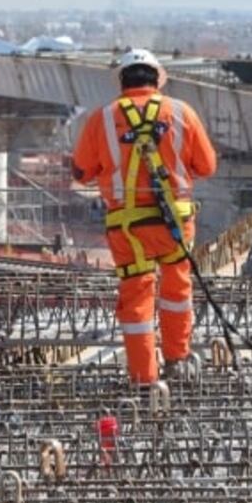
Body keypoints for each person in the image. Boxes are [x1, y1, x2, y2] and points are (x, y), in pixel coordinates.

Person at [72, 49, 217, 385]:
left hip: (127, 228)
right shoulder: (182, 112)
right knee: (177, 291)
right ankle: (178, 360)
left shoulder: (102, 118)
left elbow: (81, 172)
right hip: (175, 225)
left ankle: (144, 378)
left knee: (137, 297)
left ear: (122, 81)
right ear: (158, 79)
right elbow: (207, 166)